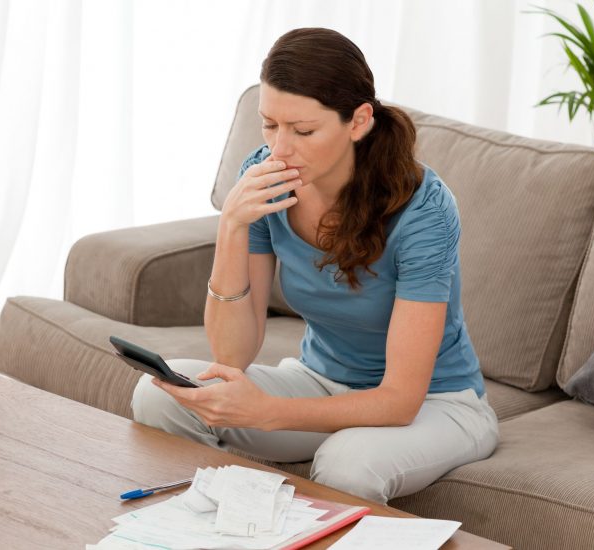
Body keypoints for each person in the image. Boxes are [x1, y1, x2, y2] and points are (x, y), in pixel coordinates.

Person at [132, 27, 499, 504]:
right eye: (269, 125)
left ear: (359, 121)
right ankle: (208, 525)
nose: (279, 148)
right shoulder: (265, 178)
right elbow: (232, 356)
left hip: (436, 405)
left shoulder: (424, 210)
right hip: (320, 381)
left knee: (347, 463)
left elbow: (400, 400)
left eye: (302, 131)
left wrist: (266, 412)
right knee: (160, 393)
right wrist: (232, 226)